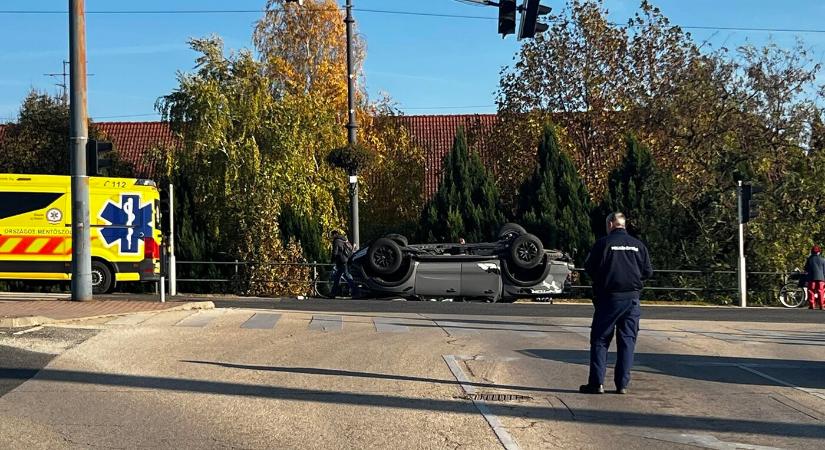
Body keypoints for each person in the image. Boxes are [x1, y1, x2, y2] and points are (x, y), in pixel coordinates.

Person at [580, 212, 653, 395]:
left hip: (609, 298)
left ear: (611, 224)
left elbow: (589, 268)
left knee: (600, 340)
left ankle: (597, 383)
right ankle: (622, 384)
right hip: (632, 299)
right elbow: (647, 271)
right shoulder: (638, 245)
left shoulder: (603, 244)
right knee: (627, 341)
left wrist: (603, 280)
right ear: (624, 225)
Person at [330, 230, 356, 298]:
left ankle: (356, 292)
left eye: (332, 235)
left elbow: (335, 252)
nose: (331, 237)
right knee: (338, 277)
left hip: (341, 261)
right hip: (345, 260)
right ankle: (333, 293)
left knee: (346, 276)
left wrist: (332, 260)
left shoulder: (336, 241)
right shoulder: (343, 240)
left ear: (335, 234)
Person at [804, 245, 825, 309]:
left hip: (811, 277)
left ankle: (812, 305)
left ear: (812, 252)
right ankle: (822, 305)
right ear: (819, 252)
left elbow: (806, 268)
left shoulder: (809, 259)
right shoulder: (823, 259)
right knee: (821, 291)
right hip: (821, 278)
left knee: (811, 291)